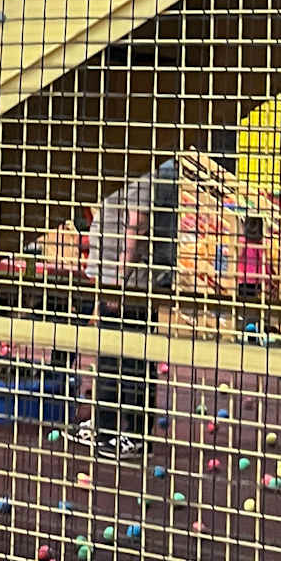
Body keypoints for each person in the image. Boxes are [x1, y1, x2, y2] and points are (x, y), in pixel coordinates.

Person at [71, 161, 177, 457]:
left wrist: (120, 278)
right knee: (117, 355)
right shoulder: (141, 163)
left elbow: (138, 223)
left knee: (125, 358)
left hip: (130, 282)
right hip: (123, 277)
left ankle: (128, 434)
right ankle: (111, 428)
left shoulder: (146, 165)